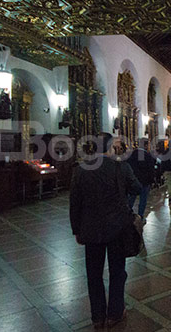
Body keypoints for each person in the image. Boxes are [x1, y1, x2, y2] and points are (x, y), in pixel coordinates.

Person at [70, 134, 141, 329]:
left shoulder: (81, 169)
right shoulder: (120, 166)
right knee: (117, 271)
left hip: (90, 230)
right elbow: (137, 187)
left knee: (93, 274)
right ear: (110, 147)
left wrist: (76, 229)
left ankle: (98, 317)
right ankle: (115, 314)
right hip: (117, 228)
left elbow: (74, 202)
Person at [126, 138, 156, 220]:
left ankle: (127, 214)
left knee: (131, 198)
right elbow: (151, 170)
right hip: (145, 182)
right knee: (143, 199)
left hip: (133, 180)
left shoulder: (131, 154)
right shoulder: (148, 156)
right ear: (146, 145)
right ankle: (140, 216)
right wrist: (152, 180)